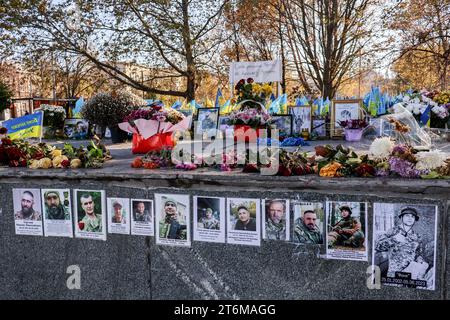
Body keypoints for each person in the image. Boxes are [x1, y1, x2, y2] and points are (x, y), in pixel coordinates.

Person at [375, 207, 426, 279]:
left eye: (412, 216)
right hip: (394, 273)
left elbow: (418, 252)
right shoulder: (393, 231)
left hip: (410, 273)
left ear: (415, 220)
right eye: (407, 215)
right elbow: (378, 246)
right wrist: (394, 239)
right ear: (401, 217)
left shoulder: (417, 236)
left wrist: (419, 258)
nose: (410, 218)